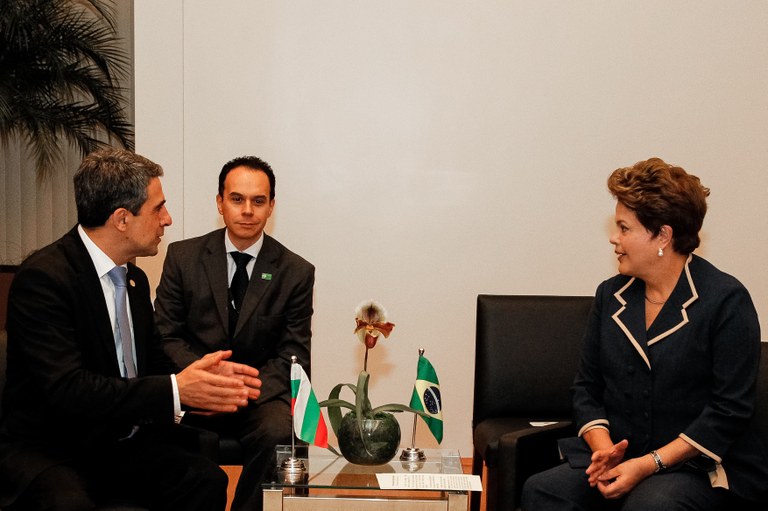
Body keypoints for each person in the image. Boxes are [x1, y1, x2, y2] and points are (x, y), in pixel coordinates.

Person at [0, 148, 262, 511]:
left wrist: (201, 382)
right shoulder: (45, 280)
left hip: (116, 442)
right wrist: (175, 389)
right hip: (53, 448)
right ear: (122, 219)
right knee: (70, 504)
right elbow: (69, 389)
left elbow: (151, 362)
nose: (167, 219)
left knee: (205, 480)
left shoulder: (134, 280)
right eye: (158, 208)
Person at [521, 157, 768, 510]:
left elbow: (728, 411)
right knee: (543, 491)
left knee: (650, 504)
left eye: (624, 228)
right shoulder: (611, 295)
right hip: (624, 454)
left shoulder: (726, 301)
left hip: (699, 466)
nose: (613, 238)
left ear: (662, 236)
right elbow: (587, 389)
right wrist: (604, 450)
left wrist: (648, 465)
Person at [154, 155, 315, 511]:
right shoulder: (182, 257)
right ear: (220, 203)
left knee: (281, 433)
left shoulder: (295, 271)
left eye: (258, 201)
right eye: (237, 199)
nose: (247, 210)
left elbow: (294, 356)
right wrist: (206, 385)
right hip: (194, 390)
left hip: (256, 397)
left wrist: (235, 392)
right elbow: (165, 335)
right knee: (158, 429)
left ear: (271, 206)